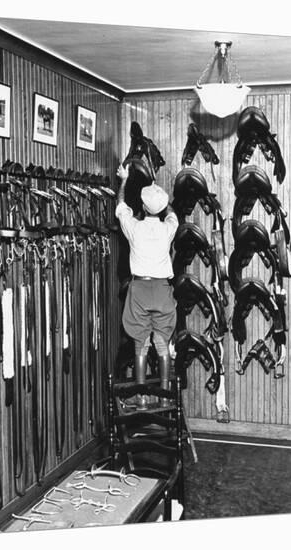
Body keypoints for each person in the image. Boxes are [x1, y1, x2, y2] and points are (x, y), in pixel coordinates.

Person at [115, 164, 178, 409]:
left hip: (139, 290)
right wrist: (163, 201)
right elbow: (172, 214)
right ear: (161, 209)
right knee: (162, 343)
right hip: (162, 290)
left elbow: (121, 207)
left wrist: (124, 180)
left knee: (140, 344)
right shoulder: (168, 228)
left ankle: (141, 398)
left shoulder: (135, 227)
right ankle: (164, 398)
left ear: (141, 207)